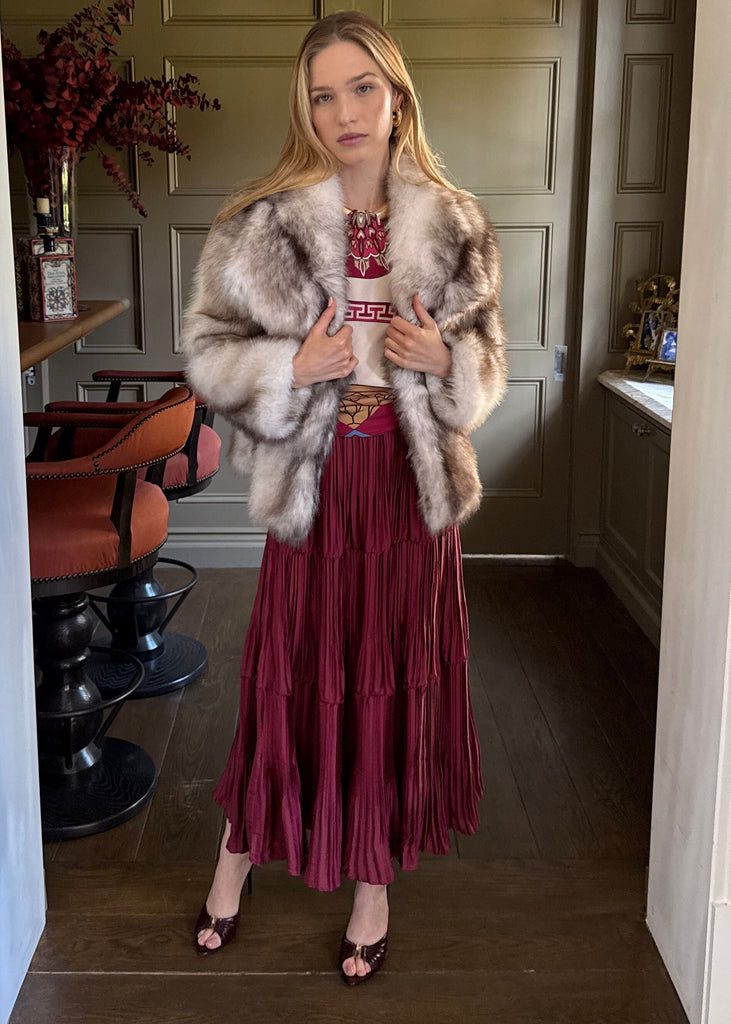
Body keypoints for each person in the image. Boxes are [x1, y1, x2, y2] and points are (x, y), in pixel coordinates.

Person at [180, 10, 508, 986]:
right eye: (321, 94)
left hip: (408, 499)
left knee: (385, 682)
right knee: (289, 675)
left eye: (360, 86)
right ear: (305, 108)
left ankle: (372, 880)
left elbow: (485, 370)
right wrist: (296, 363)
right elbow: (209, 355)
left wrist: (444, 357)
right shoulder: (264, 221)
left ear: (395, 94)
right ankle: (236, 851)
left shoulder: (453, 223)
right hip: (315, 495)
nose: (342, 111)